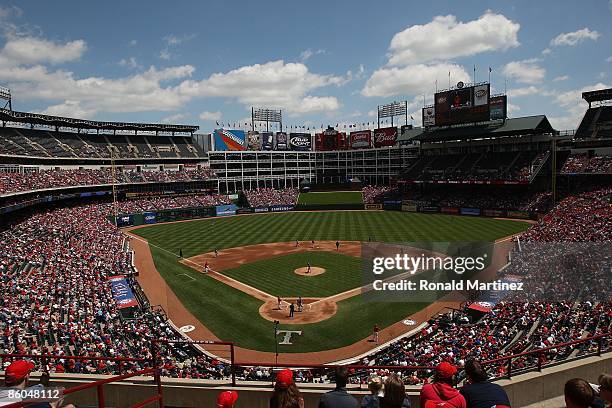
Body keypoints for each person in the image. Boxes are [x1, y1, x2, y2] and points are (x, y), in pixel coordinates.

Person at [0, 360, 75, 408]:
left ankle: (42, 384)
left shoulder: (6, 392)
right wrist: (53, 406)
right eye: (29, 372)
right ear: (26, 377)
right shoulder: (15, 401)